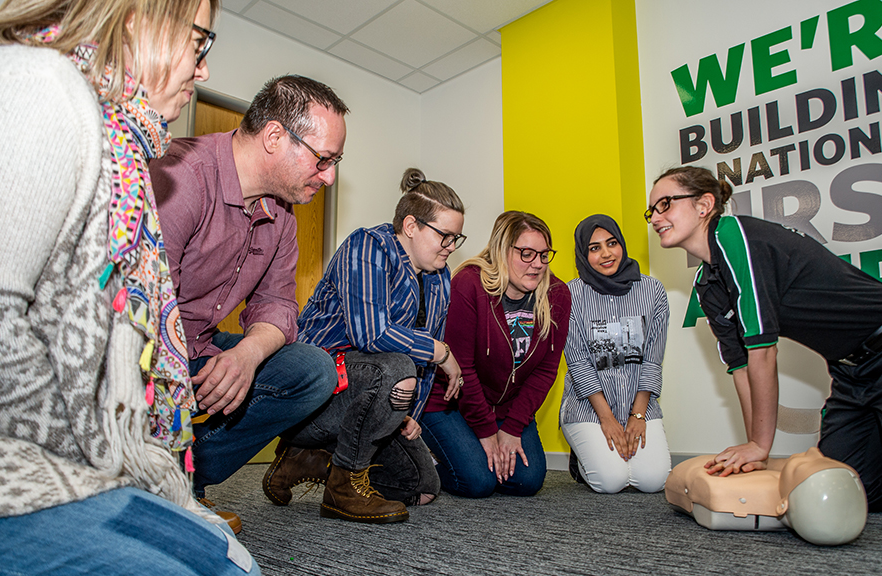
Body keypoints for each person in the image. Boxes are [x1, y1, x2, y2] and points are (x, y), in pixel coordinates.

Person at [0, 0, 261, 576]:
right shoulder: (32, 86)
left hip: (41, 461)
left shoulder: (115, 149)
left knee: (221, 560)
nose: (203, 67)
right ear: (137, 18)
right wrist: (106, 479)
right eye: (199, 39)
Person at [648, 165, 882, 537]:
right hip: (851, 376)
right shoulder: (707, 282)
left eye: (665, 204)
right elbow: (742, 367)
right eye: (651, 210)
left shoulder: (734, 236)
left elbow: (763, 351)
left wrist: (760, 445)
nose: (656, 217)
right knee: (854, 496)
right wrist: (753, 450)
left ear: (704, 205)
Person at [150, 75, 346, 524]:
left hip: (199, 344)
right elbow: (146, 316)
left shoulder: (282, 213)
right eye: (323, 160)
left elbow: (278, 303)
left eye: (336, 162)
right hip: (146, 352)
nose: (330, 177)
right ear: (275, 136)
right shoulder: (179, 178)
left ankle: (185, 474)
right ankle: (154, 476)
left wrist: (246, 354)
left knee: (314, 371)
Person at [263, 168, 462, 523]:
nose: (450, 246)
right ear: (412, 226)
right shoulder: (368, 246)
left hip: (376, 393)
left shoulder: (439, 276)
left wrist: (411, 416)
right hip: (317, 392)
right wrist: (442, 352)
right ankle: (342, 485)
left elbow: (424, 362)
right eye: (445, 236)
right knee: (397, 368)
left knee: (423, 486)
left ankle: (309, 458)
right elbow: (371, 335)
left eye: (456, 238)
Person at [420, 211, 571, 498]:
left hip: (505, 407)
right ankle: (413, 464)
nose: (537, 264)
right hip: (449, 402)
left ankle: (466, 453)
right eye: (526, 254)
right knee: (478, 482)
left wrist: (512, 428)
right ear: (502, 251)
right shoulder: (468, 284)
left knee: (527, 481)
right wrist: (487, 433)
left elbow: (546, 371)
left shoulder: (557, 295)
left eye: (543, 255)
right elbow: (462, 366)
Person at [560, 214, 671, 493]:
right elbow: (578, 363)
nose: (606, 254)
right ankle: (582, 461)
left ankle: (614, 455)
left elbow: (653, 359)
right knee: (610, 481)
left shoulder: (652, 291)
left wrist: (638, 415)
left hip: (639, 402)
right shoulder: (569, 295)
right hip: (589, 406)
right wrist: (607, 419)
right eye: (594, 248)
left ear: (622, 243)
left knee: (653, 481)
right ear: (583, 254)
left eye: (612, 243)